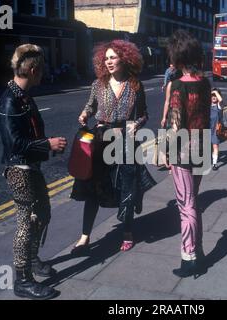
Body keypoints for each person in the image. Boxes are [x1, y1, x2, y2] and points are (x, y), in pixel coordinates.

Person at [0, 44, 67, 300]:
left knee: (44, 213)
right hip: (18, 170)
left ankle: (32, 257)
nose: (44, 74)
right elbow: (13, 143)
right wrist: (47, 144)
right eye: (42, 69)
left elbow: (30, 133)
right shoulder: (10, 100)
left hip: (32, 166)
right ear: (34, 69)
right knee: (24, 222)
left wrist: (46, 145)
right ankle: (22, 280)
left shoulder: (24, 96)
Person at [71, 40, 151, 254]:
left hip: (125, 140)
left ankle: (127, 231)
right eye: (105, 58)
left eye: (113, 57)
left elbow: (144, 113)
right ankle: (84, 236)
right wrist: (85, 114)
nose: (108, 61)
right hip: (101, 139)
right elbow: (90, 105)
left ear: (125, 59)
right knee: (93, 189)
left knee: (126, 188)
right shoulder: (98, 84)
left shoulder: (136, 85)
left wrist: (137, 123)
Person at [167, 30, 211, 278]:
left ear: (178, 58)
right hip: (202, 147)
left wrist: (166, 153)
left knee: (186, 206)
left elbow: (175, 124)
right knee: (194, 202)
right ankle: (200, 251)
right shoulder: (205, 83)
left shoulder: (177, 86)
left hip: (183, 152)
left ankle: (189, 257)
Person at [210, 88, 224, 171]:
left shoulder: (219, 105)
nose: (214, 97)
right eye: (212, 96)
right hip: (207, 128)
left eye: (215, 95)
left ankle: (214, 164)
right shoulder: (207, 105)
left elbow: (221, 100)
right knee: (209, 146)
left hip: (216, 129)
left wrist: (214, 91)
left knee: (215, 146)